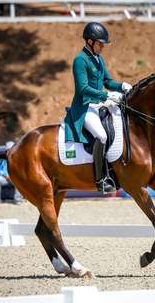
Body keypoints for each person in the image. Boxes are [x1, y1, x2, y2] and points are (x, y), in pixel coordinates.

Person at [64, 22, 132, 194]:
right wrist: (106, 96)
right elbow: (83, 89)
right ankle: (100, 179)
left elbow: (107, 82)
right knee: (101, 136)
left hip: (99, 105)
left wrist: (122, 86)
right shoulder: (80, 60)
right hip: (84, 107)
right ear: (89, 41)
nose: (102, 46)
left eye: (103, 44)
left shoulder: (99, 59)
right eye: (100, 43)